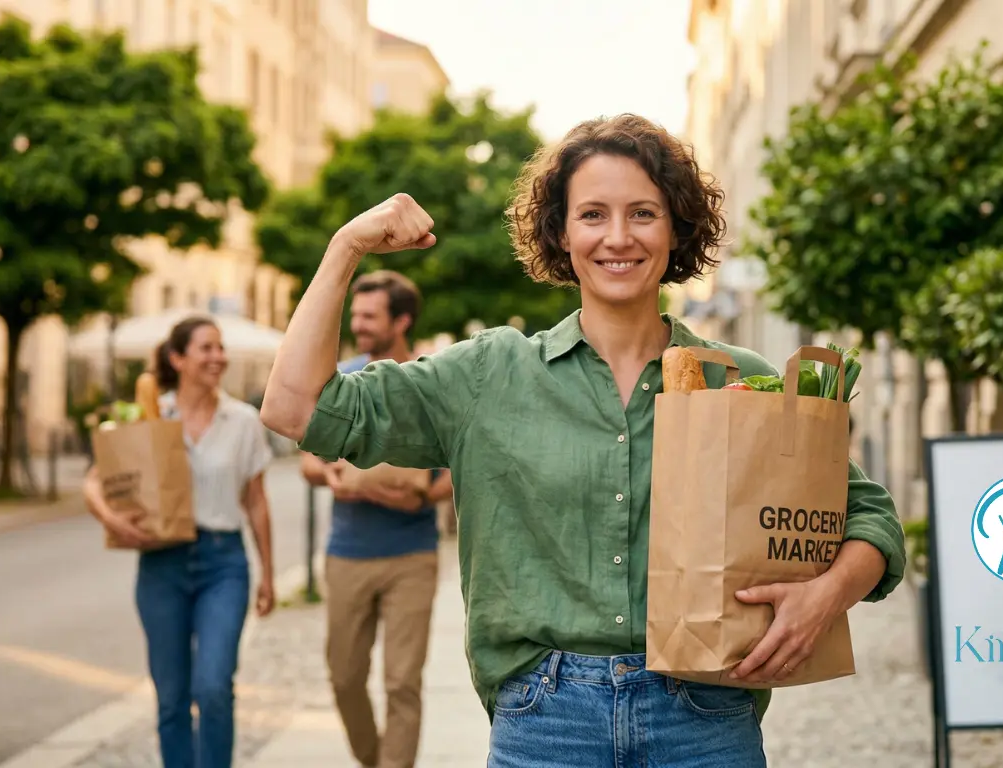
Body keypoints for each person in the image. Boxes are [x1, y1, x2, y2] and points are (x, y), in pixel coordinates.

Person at [260, 114, 906, 767]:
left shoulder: (743, 380)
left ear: (677, 227)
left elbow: (870, 516)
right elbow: (296, 407)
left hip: (707, 717)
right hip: (545, 722)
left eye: (644, 213)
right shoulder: (490, 374)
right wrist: (346, 246)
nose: (618, 237)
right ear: (560, 233)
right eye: (593, 214)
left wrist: (825, 597)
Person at [84, 316, 276, 768]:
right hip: (161, 566)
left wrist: (268, 575)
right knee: (170, 698)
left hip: (223, 564)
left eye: (220, 348)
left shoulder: (243, 420)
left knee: (212, 687)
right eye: (206, 348)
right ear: (178, 359)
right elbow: (94, 482)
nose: (218, 357)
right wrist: (112, 518)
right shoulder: (148, 415)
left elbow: (257, 502)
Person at [300, 270, 454, 768]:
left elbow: (460, 458)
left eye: (369, 316)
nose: (359, 325)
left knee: (402, 683)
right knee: (344, 677)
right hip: (347, 552)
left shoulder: (431, 379)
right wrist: (335, 480)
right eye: (356, 315)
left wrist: (428, 495)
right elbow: (307, 458)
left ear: (402, 319)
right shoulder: (340, 376)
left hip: (412, 555)